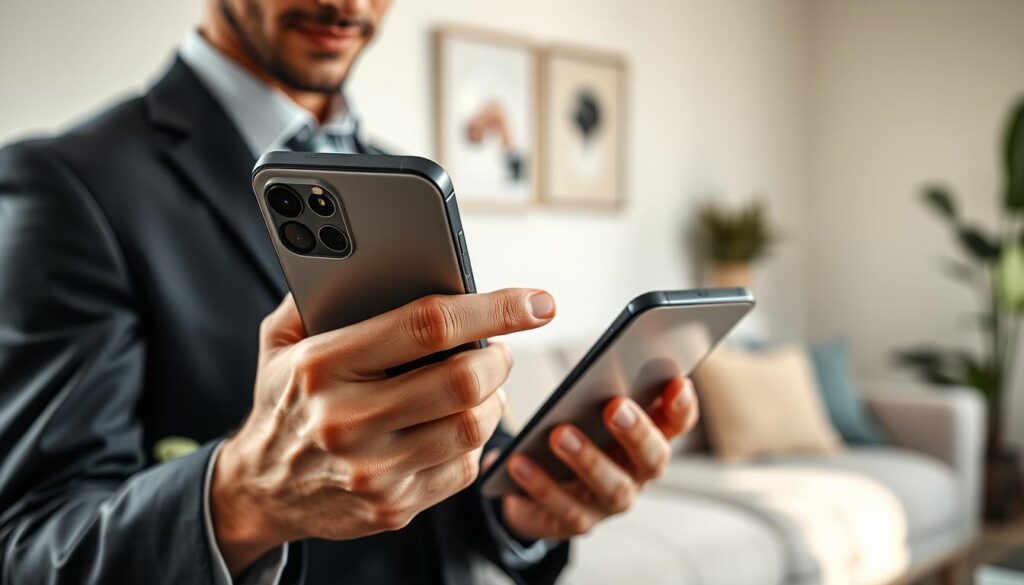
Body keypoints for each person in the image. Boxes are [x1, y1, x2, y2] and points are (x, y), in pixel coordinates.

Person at [0, 0, 700, 583]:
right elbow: (31, 545)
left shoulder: (400, 180)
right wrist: (240, 497)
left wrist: (524, 509)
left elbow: (443, 452)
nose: (347, 5)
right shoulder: (66, 185)